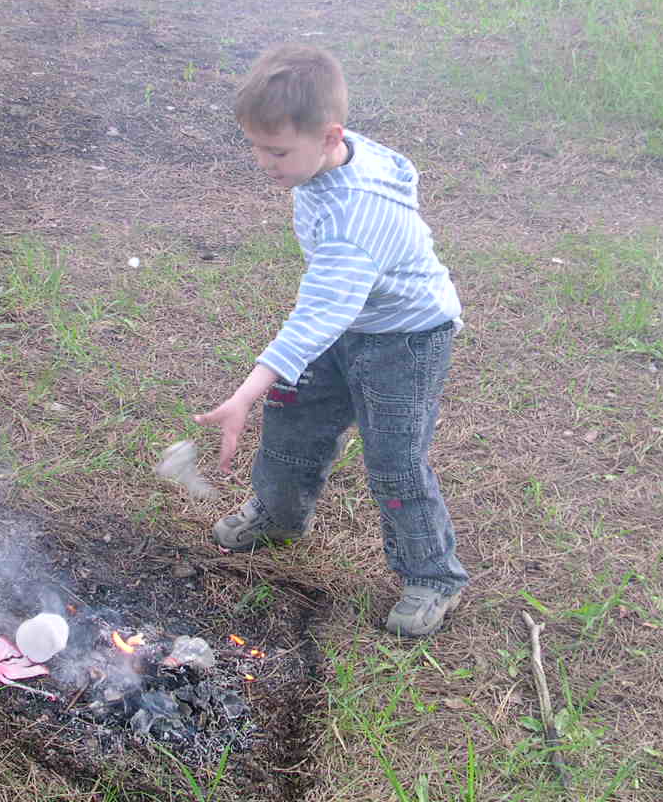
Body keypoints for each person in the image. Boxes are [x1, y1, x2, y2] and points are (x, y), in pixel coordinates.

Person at [194, 44, 469, 637]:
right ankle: (279, 515)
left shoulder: (353, 222)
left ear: (328, 137)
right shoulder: (334, 154)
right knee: (293, 420)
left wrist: (244, 393)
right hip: (351, 318)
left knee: (394, 462)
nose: (263, 163)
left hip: (405, 339)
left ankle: (433, 575)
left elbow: (315, 318)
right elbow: (329, 310)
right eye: (256, 146)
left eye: (277, 151)